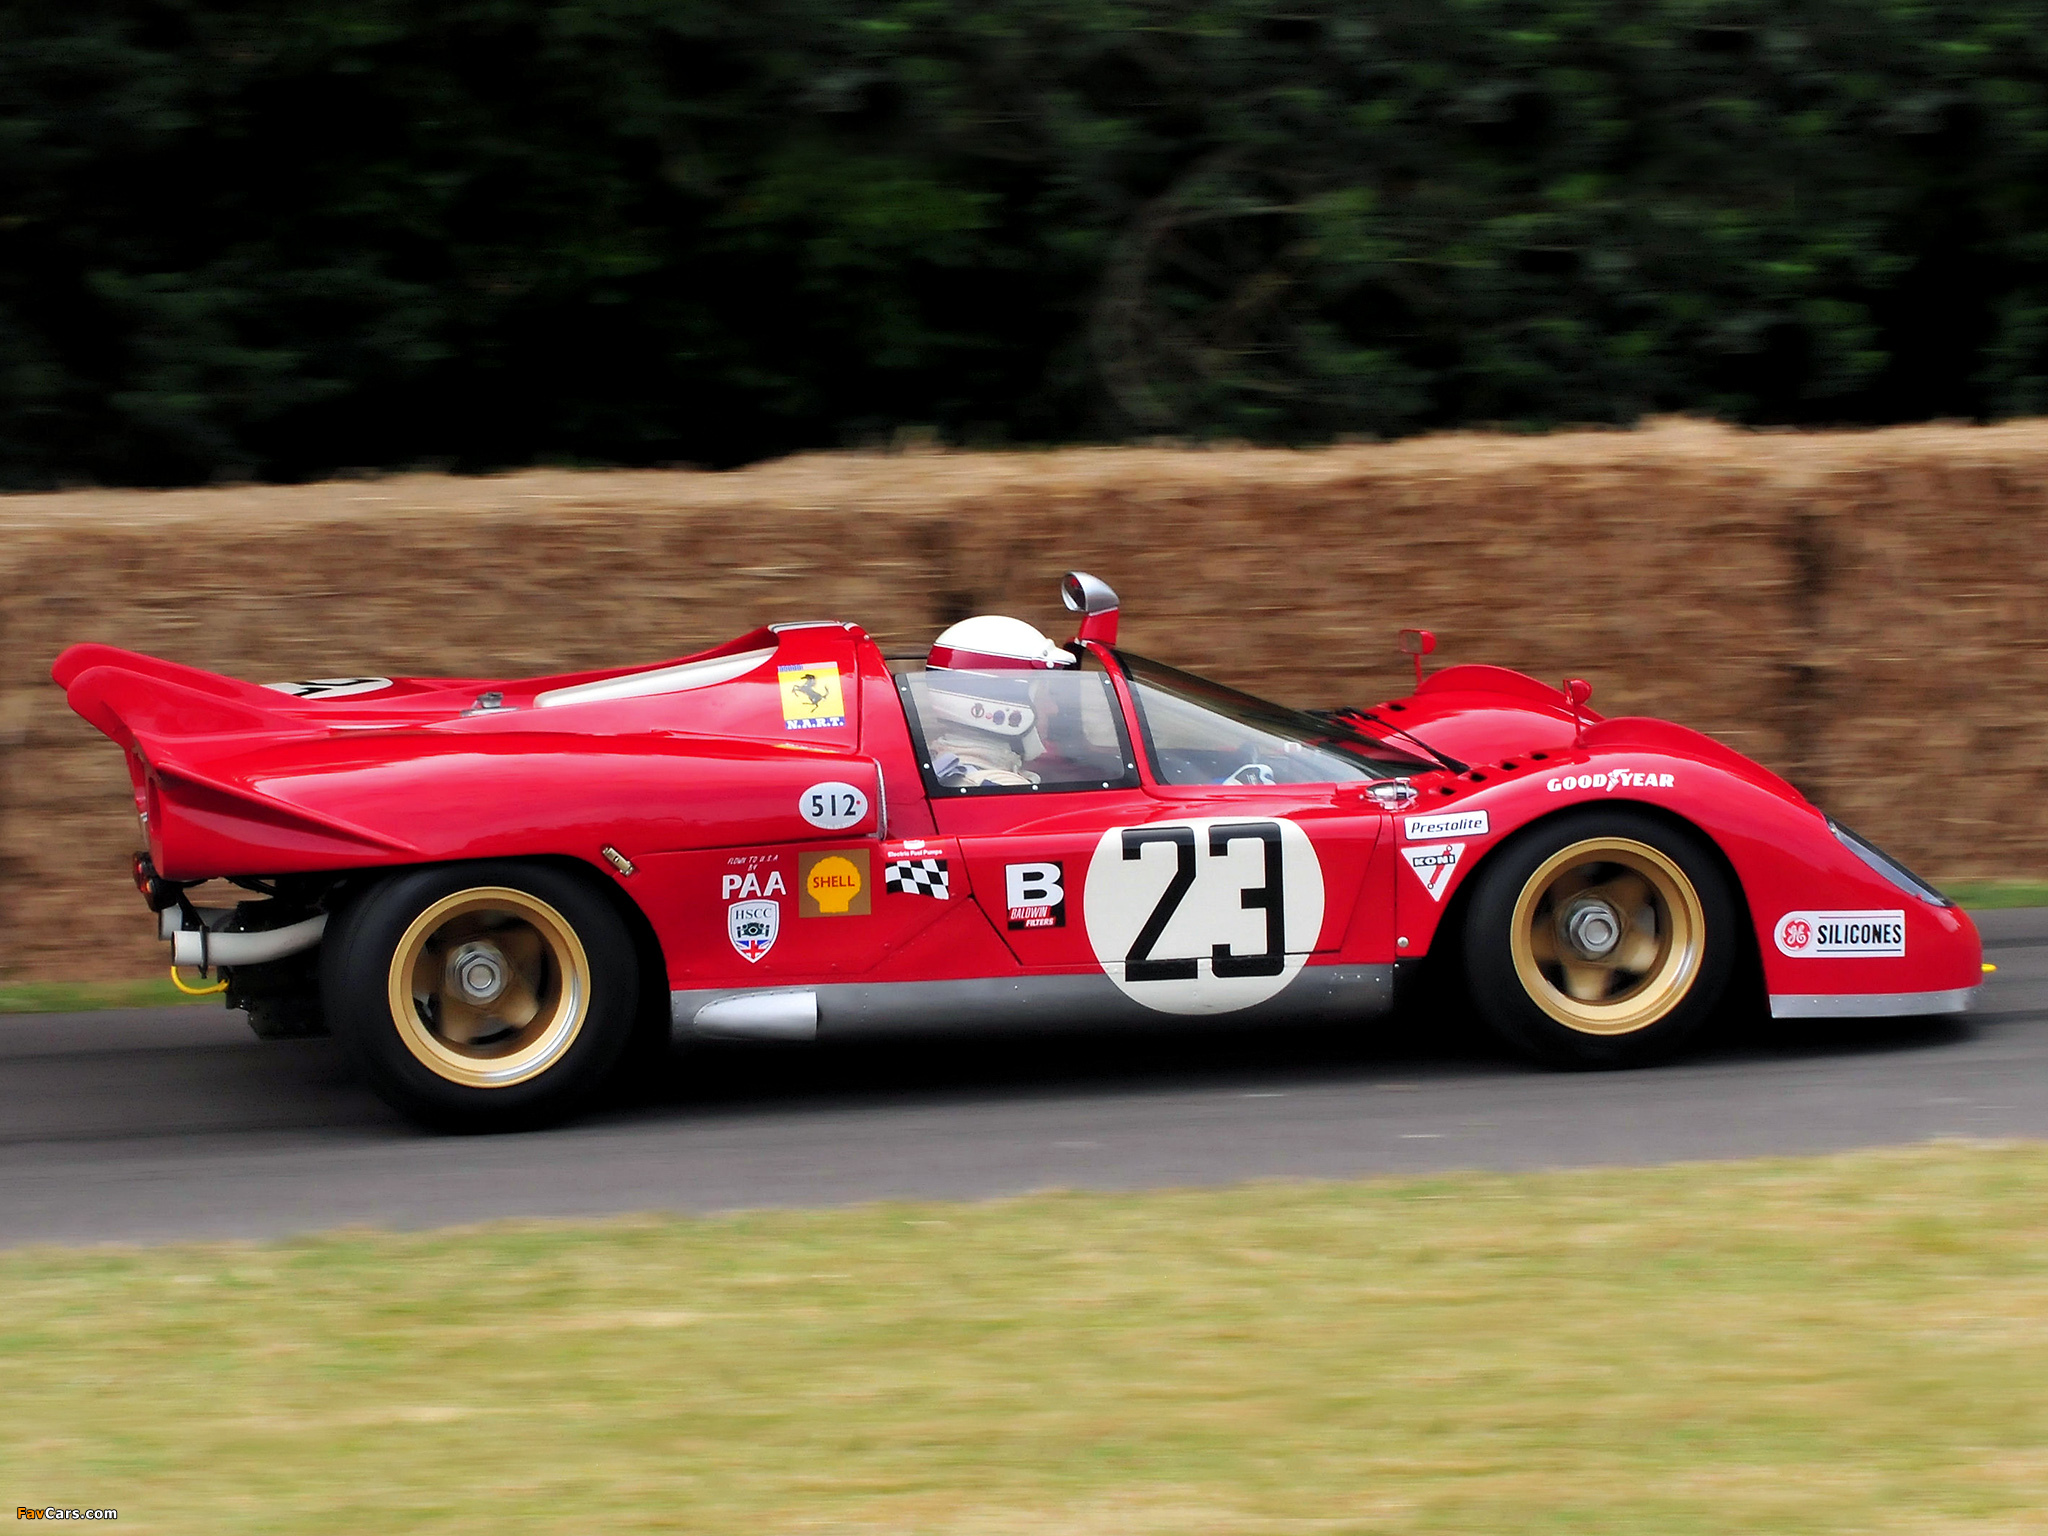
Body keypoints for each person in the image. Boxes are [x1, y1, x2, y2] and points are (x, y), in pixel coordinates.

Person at [923, 615, 1076, 788]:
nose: (1053, 709)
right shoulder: (999, 788)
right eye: (1043, 697)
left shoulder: (941, 764)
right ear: (1003, 704)